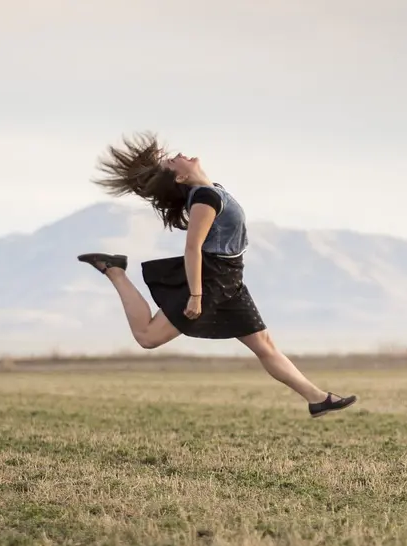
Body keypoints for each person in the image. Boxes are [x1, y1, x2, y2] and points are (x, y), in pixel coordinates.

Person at [77, 132, 356, 418]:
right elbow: (192, 248)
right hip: (212, 280)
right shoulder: (205, 199)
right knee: (148, 337)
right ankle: (115, 272)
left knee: (264, 345)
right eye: (174, 162)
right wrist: (196, 296)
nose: (179, 156)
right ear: (181, 178)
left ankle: (318, 399)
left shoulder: (212, 190)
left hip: (230, 279)